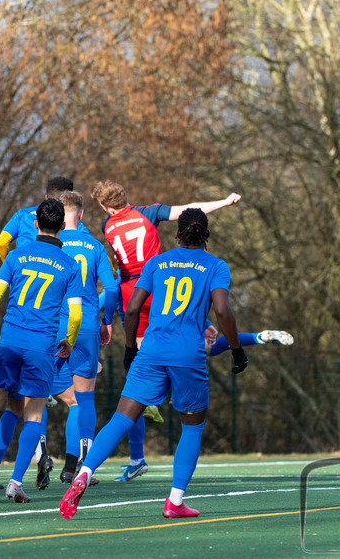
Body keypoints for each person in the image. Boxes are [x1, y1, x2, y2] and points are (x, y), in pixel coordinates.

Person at [60, 209, 248, 519]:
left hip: (152, 351)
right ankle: (174, 502)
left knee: (121, 419)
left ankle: (84, 473)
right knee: (192, 427)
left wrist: (130, 347)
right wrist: (237, 351)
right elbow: (223, 311)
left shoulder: (157, 263)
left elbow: (132, 308)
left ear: (177, 233)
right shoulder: (216, 265)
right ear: (206, 235)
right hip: (188, 355)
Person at [90, 180, 241, 480]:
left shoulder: (107, 224)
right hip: (160, 284)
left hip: (132, 289)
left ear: (106, 208)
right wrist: (223, 202)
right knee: (187, 328)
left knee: (142, 366)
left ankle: (142, 435)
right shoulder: (147, 214)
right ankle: (170, 389)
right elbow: (188, 210)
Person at [0, 198, 84, 503]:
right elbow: (75, 315)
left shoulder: (15, 256)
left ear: (35, 224)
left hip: (10, 341)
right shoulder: (69, 265)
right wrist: (70, 341)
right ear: (62, 226)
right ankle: (15, 482)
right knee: (33, 414)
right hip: (41, 348)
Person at [0, 176, 85, 479]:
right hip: (50, 333)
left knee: (12, 404)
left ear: (44, 198)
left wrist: (11, 266)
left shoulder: (22, 218)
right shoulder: (77, 235)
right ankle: (66, 463)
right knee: (68, 400)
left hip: (15, 326)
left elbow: (2, 242)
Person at [49, 191, 118, 484]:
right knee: (84, 399)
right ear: (81, 215)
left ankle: (40, 464)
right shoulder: (94, 245)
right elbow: (112, 288)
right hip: (87, 325)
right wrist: (107, 320)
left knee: (35, 396)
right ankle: (80, 467)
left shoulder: (50, 244)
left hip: (53, 324)